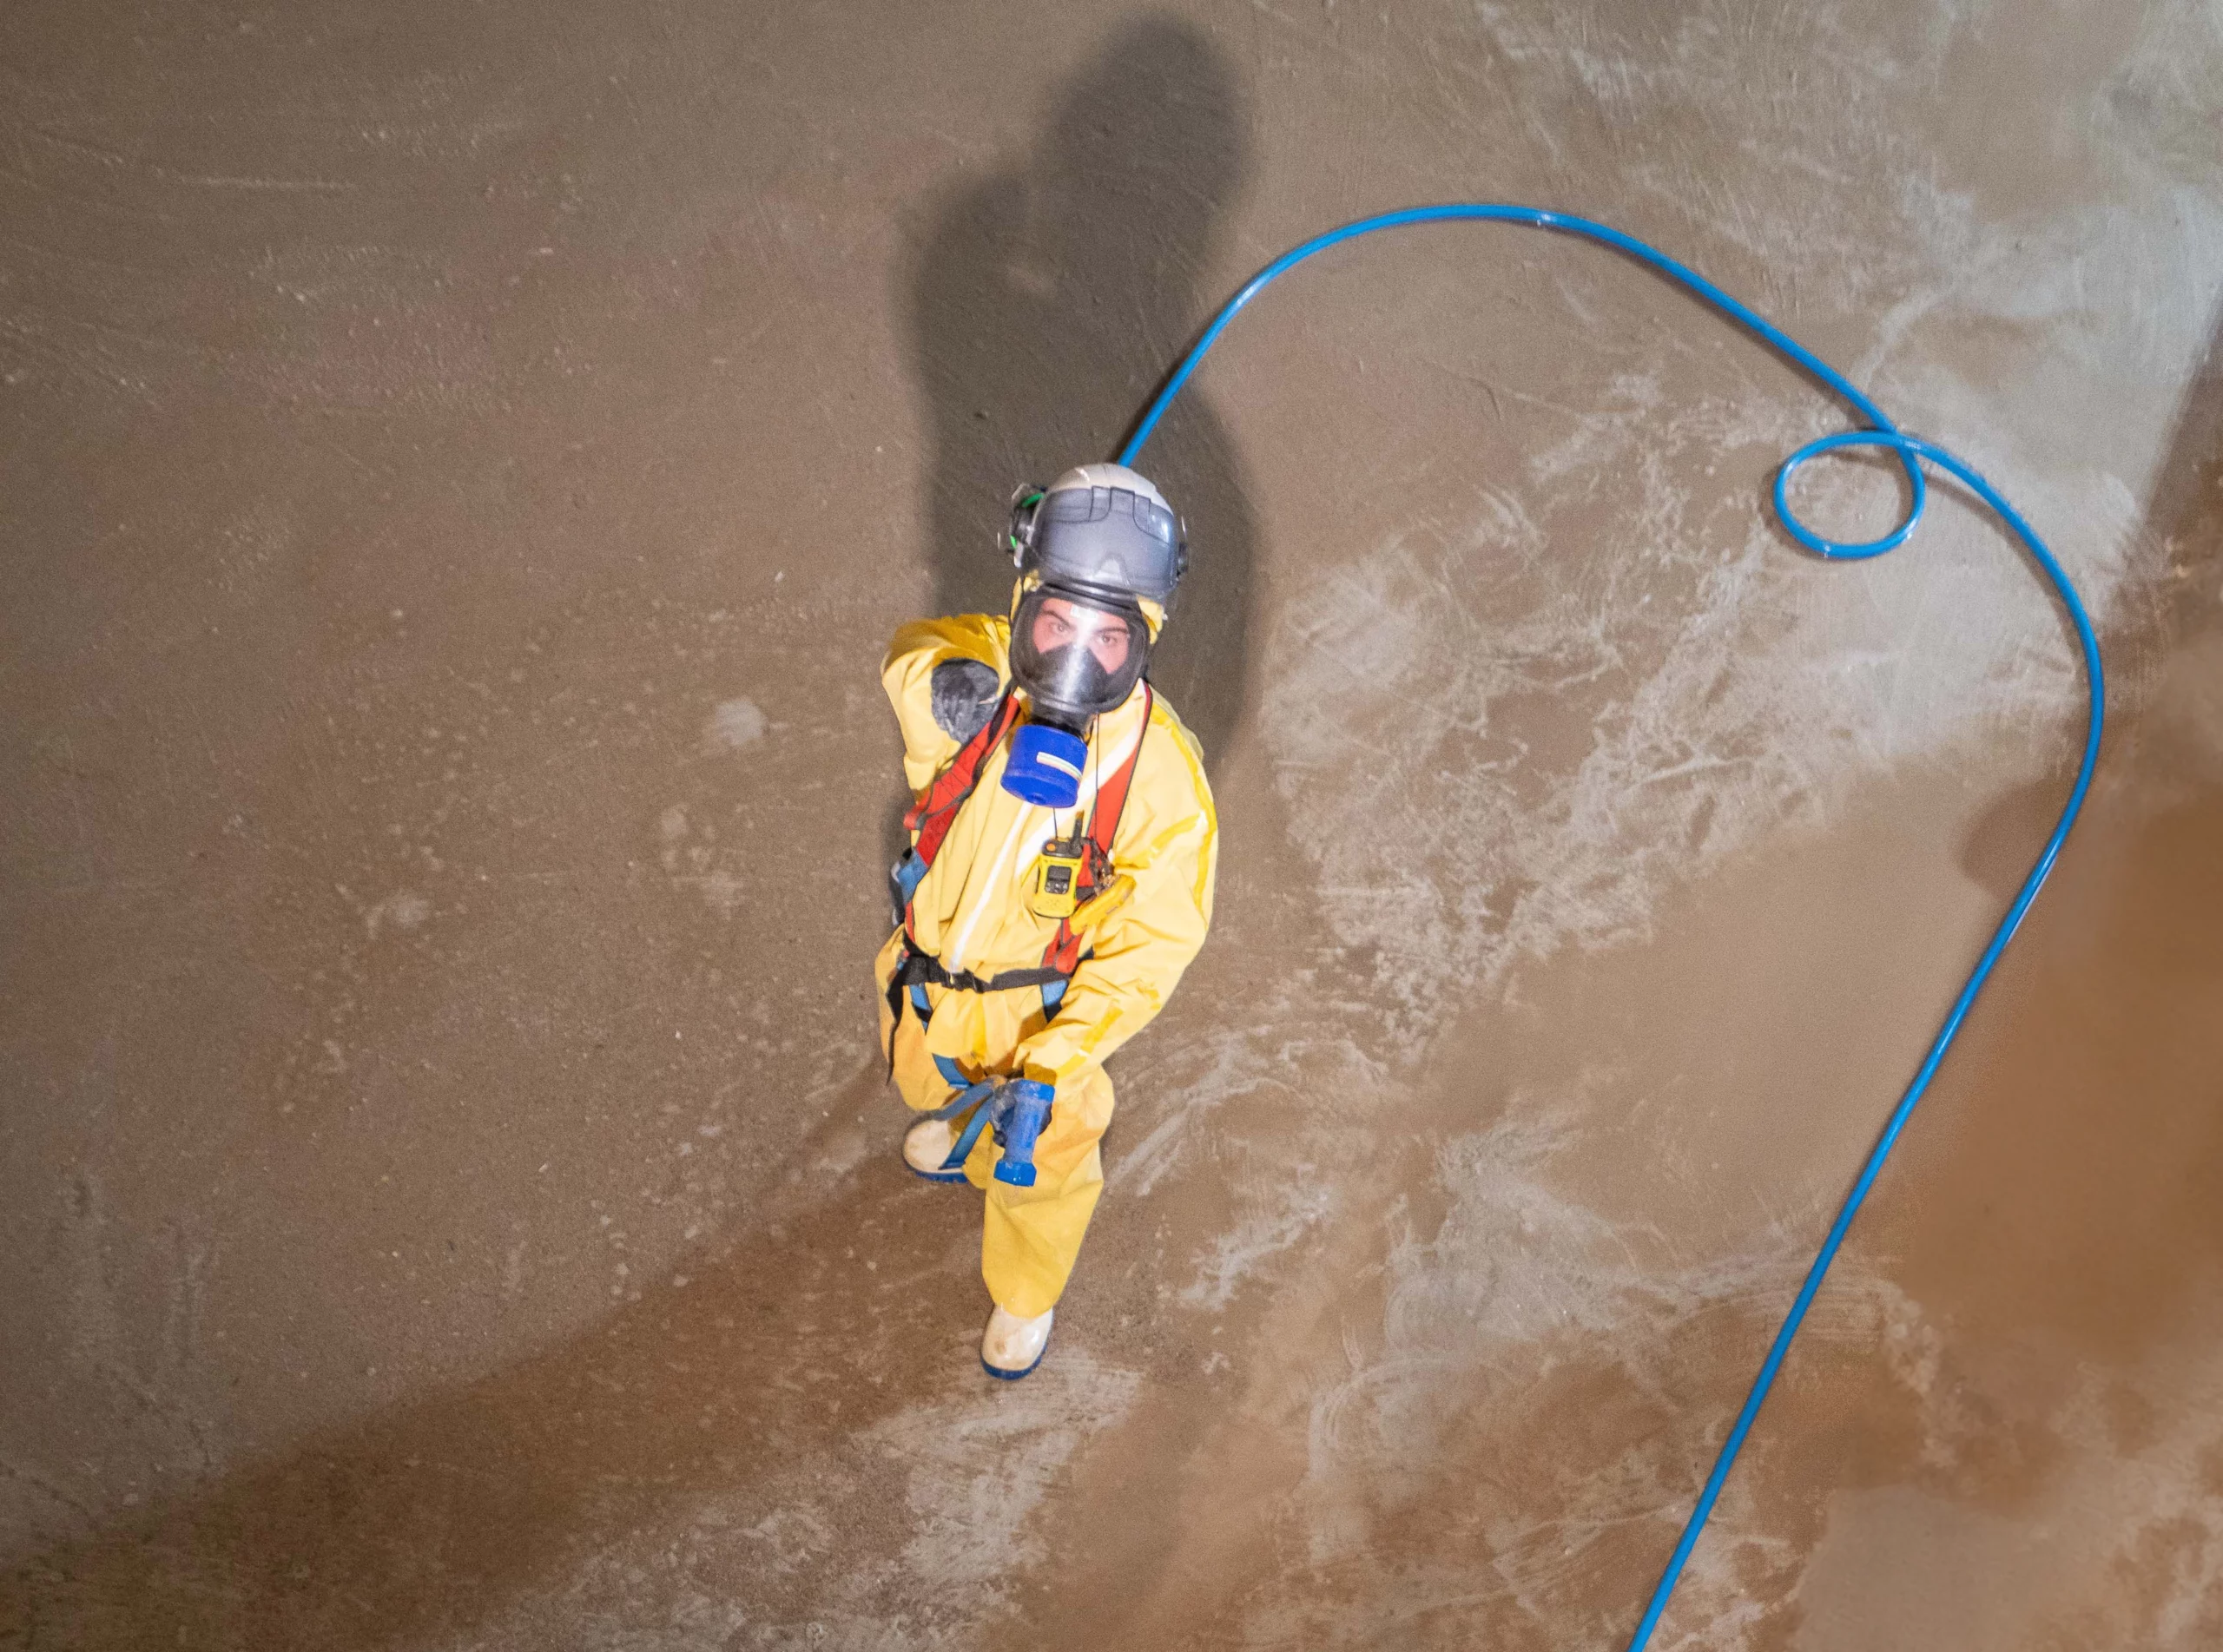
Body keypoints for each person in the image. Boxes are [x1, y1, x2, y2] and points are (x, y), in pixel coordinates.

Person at [877, 464, 1218, 1379]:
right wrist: (944, 681)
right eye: (1057, 623)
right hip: (929, 975)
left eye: (1110, 636)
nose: (1075, 658)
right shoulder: (986, 676)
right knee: (924, 1072)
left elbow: (1154, 945)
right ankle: (963, 1121)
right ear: (1025, 604)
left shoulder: (1161, 785)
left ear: (1144, 640)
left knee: (1046, 1161)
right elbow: (914, 655)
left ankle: (1025, 1297)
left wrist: (1058, 1057)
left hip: (1044, 1017)